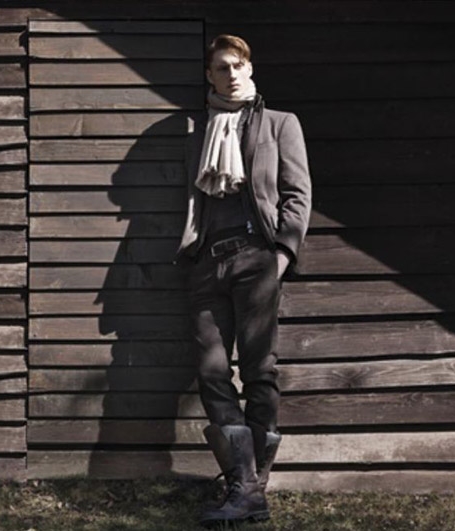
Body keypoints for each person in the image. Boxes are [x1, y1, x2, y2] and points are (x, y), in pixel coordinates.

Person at [175, 34, 312, 525]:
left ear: (249, 69)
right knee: (212, 370)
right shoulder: (199, 132)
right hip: (207, 263)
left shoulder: (279, 124)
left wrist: (282, 256)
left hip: (257, 257)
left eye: (237, 65)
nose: (230, 74)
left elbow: (297, 194)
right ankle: (247, 488)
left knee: (259, 371)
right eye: (221, 67)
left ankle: (247, 489)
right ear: (209, 76)